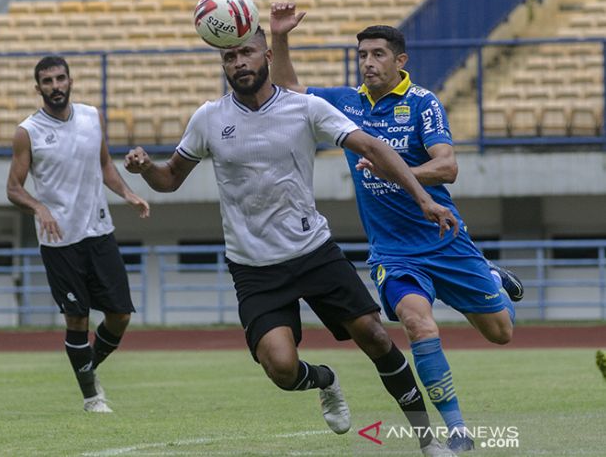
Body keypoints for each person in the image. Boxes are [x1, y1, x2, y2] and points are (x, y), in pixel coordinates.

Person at [125, 28, 457, 456]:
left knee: (375, 335)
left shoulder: (305, 108)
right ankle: (326, 380)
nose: (239, 63)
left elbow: (373, 147)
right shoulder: (208, 118)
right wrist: (146, 168)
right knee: (281, 368)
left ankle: (428, 443)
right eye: (229, 58)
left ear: (266, 53)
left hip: (313, 252)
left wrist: (423, 198)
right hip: (253, 267)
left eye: (246, 53)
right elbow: (169, 179)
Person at [269, 3, 525, 452]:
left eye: (378, 54)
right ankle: (457, 432)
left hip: (444, 239)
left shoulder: (422, 103)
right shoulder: (346, 104)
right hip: (394, 252)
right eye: (363, 54)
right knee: (416, 324)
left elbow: (447, 167)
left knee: (500, 332)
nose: (368, 62)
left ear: (400, 60)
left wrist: (397, 173)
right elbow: (288, 89)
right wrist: (280, 36)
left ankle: (490, 278)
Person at [6, 55, 150, 413]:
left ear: (70, 81)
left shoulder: (91, 116)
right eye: (48, 81)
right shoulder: (28, 132)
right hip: (60, 242)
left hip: (99, 231)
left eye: (60, 79)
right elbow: (13, 188)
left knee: (120, 315)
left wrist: (128, 194)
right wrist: (39, 208)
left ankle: (86, 369)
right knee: (77, 319)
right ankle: (92, 397)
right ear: (37, 87)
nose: (55, 86)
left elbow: (104, 164)